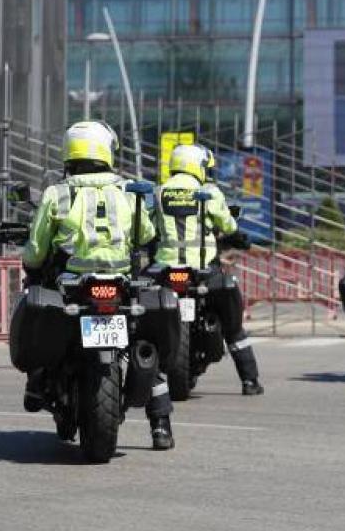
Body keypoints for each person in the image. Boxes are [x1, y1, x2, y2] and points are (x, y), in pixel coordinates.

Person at [20, 121, 170, 448]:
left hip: (73, 282)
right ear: (106, 150)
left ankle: (38, 380)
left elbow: (36, 250)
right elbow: (146, 235)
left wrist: (30, 262)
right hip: (120, 283)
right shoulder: (128, 190)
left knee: (38, 307)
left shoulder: (57, 193)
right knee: (144, 340)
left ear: (69, 150)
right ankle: (161, 424)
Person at [152, 144, 262, 396]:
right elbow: (227, 224)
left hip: (167, 269)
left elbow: (149, 229)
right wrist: (238, 237)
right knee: (233, 327)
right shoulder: (208, 192)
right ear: (198, 166)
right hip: (202, 270)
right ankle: (250, 380)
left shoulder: (159, 192)